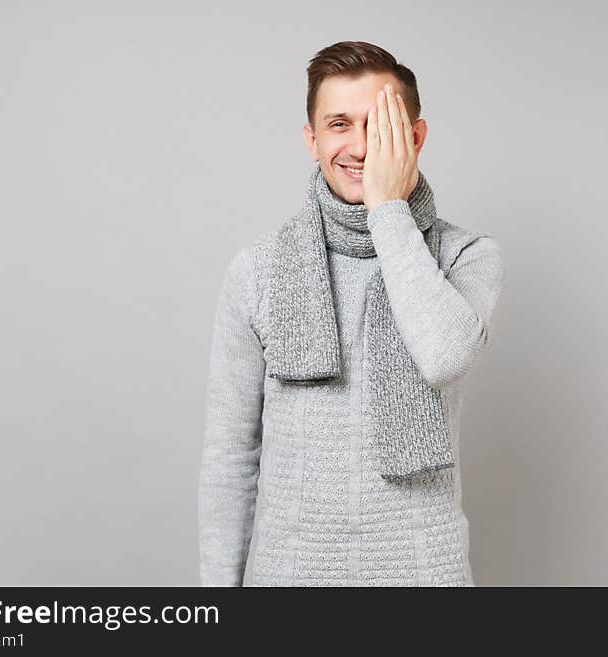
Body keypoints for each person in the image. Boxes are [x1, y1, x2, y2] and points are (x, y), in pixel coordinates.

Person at [197, 41, 505, 586]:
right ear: (312, 141)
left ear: (415, 137)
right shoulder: (259, 270)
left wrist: (388, 209)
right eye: (340, 124)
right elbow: (230, 457)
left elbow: (443, 355)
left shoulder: (466, 255)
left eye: (380, 125)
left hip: (424, 575)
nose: (361, 146)